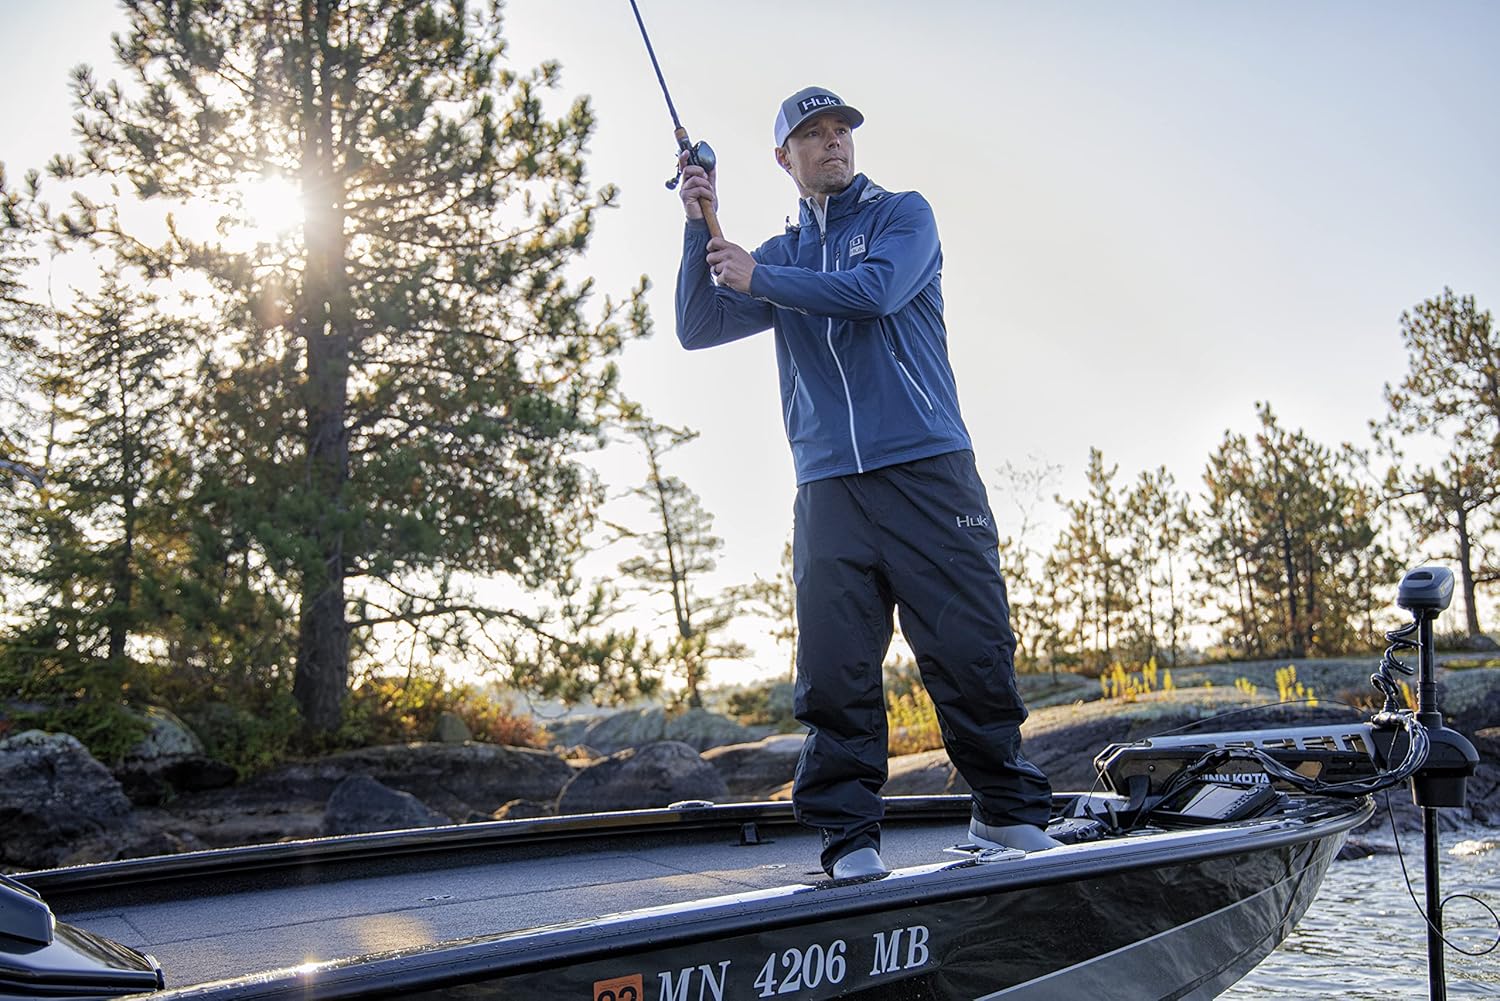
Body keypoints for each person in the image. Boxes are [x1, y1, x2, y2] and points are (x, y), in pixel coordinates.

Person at [674, 86, 1058, 879]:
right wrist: (695, 224)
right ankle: (850, 840)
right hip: (828, 488)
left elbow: (874, 294)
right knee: (837, 671)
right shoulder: (779, 257)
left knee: (969, 651)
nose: (832, 143)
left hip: (927, 470)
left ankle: (1007, 815)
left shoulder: (902, 216)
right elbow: (699, 325)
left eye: (840, 130)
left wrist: (761, 280)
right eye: (811, 136)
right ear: (785, 159)